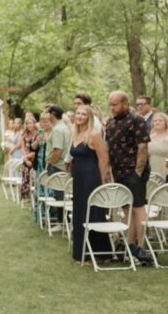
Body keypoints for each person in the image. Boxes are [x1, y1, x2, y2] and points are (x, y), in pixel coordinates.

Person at [105, 90, 151, 262]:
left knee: (138, 209)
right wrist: (109, 168)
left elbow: (143, 147)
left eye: (115, 104)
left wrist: (137, 172)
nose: (112, 107)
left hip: (134, 172)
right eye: (110, 104)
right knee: (126, 210)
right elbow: (109, 148)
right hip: (118, 172)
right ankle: (130, 247)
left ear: (125, 103)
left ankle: (142, 249)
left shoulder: (137, 120)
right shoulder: (110, 123)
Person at [69, 104, 112, 264]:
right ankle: (81, 253)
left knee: (93, 212)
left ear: (89, 117)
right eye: (78, 113)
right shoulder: (75, 134)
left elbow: (103, 160)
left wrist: (101, 183)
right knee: (79, 212)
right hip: (78, 178)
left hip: (91, 177)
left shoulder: (94, 135)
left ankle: (100, 253)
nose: (79, 116)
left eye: (83, 114)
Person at [17, 113, 39, 202]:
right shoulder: (24, 135)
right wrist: (26, 159)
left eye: (31, 123)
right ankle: (27, 196)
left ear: (34, 124)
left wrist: (31, 156)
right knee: (25, 176)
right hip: (26, 159)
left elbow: (37, 149)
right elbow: (22, 148)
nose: (29, 125)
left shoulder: (38, 134)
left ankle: (35, 197)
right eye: (27, 123)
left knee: (34, 179)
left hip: (35, 159)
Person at [148, 111, 168, 178]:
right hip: (152, 166)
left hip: (165, 167)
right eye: (155, 121)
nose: (157, 122)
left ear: (166, 122)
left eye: (160, 120)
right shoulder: (149, 137)